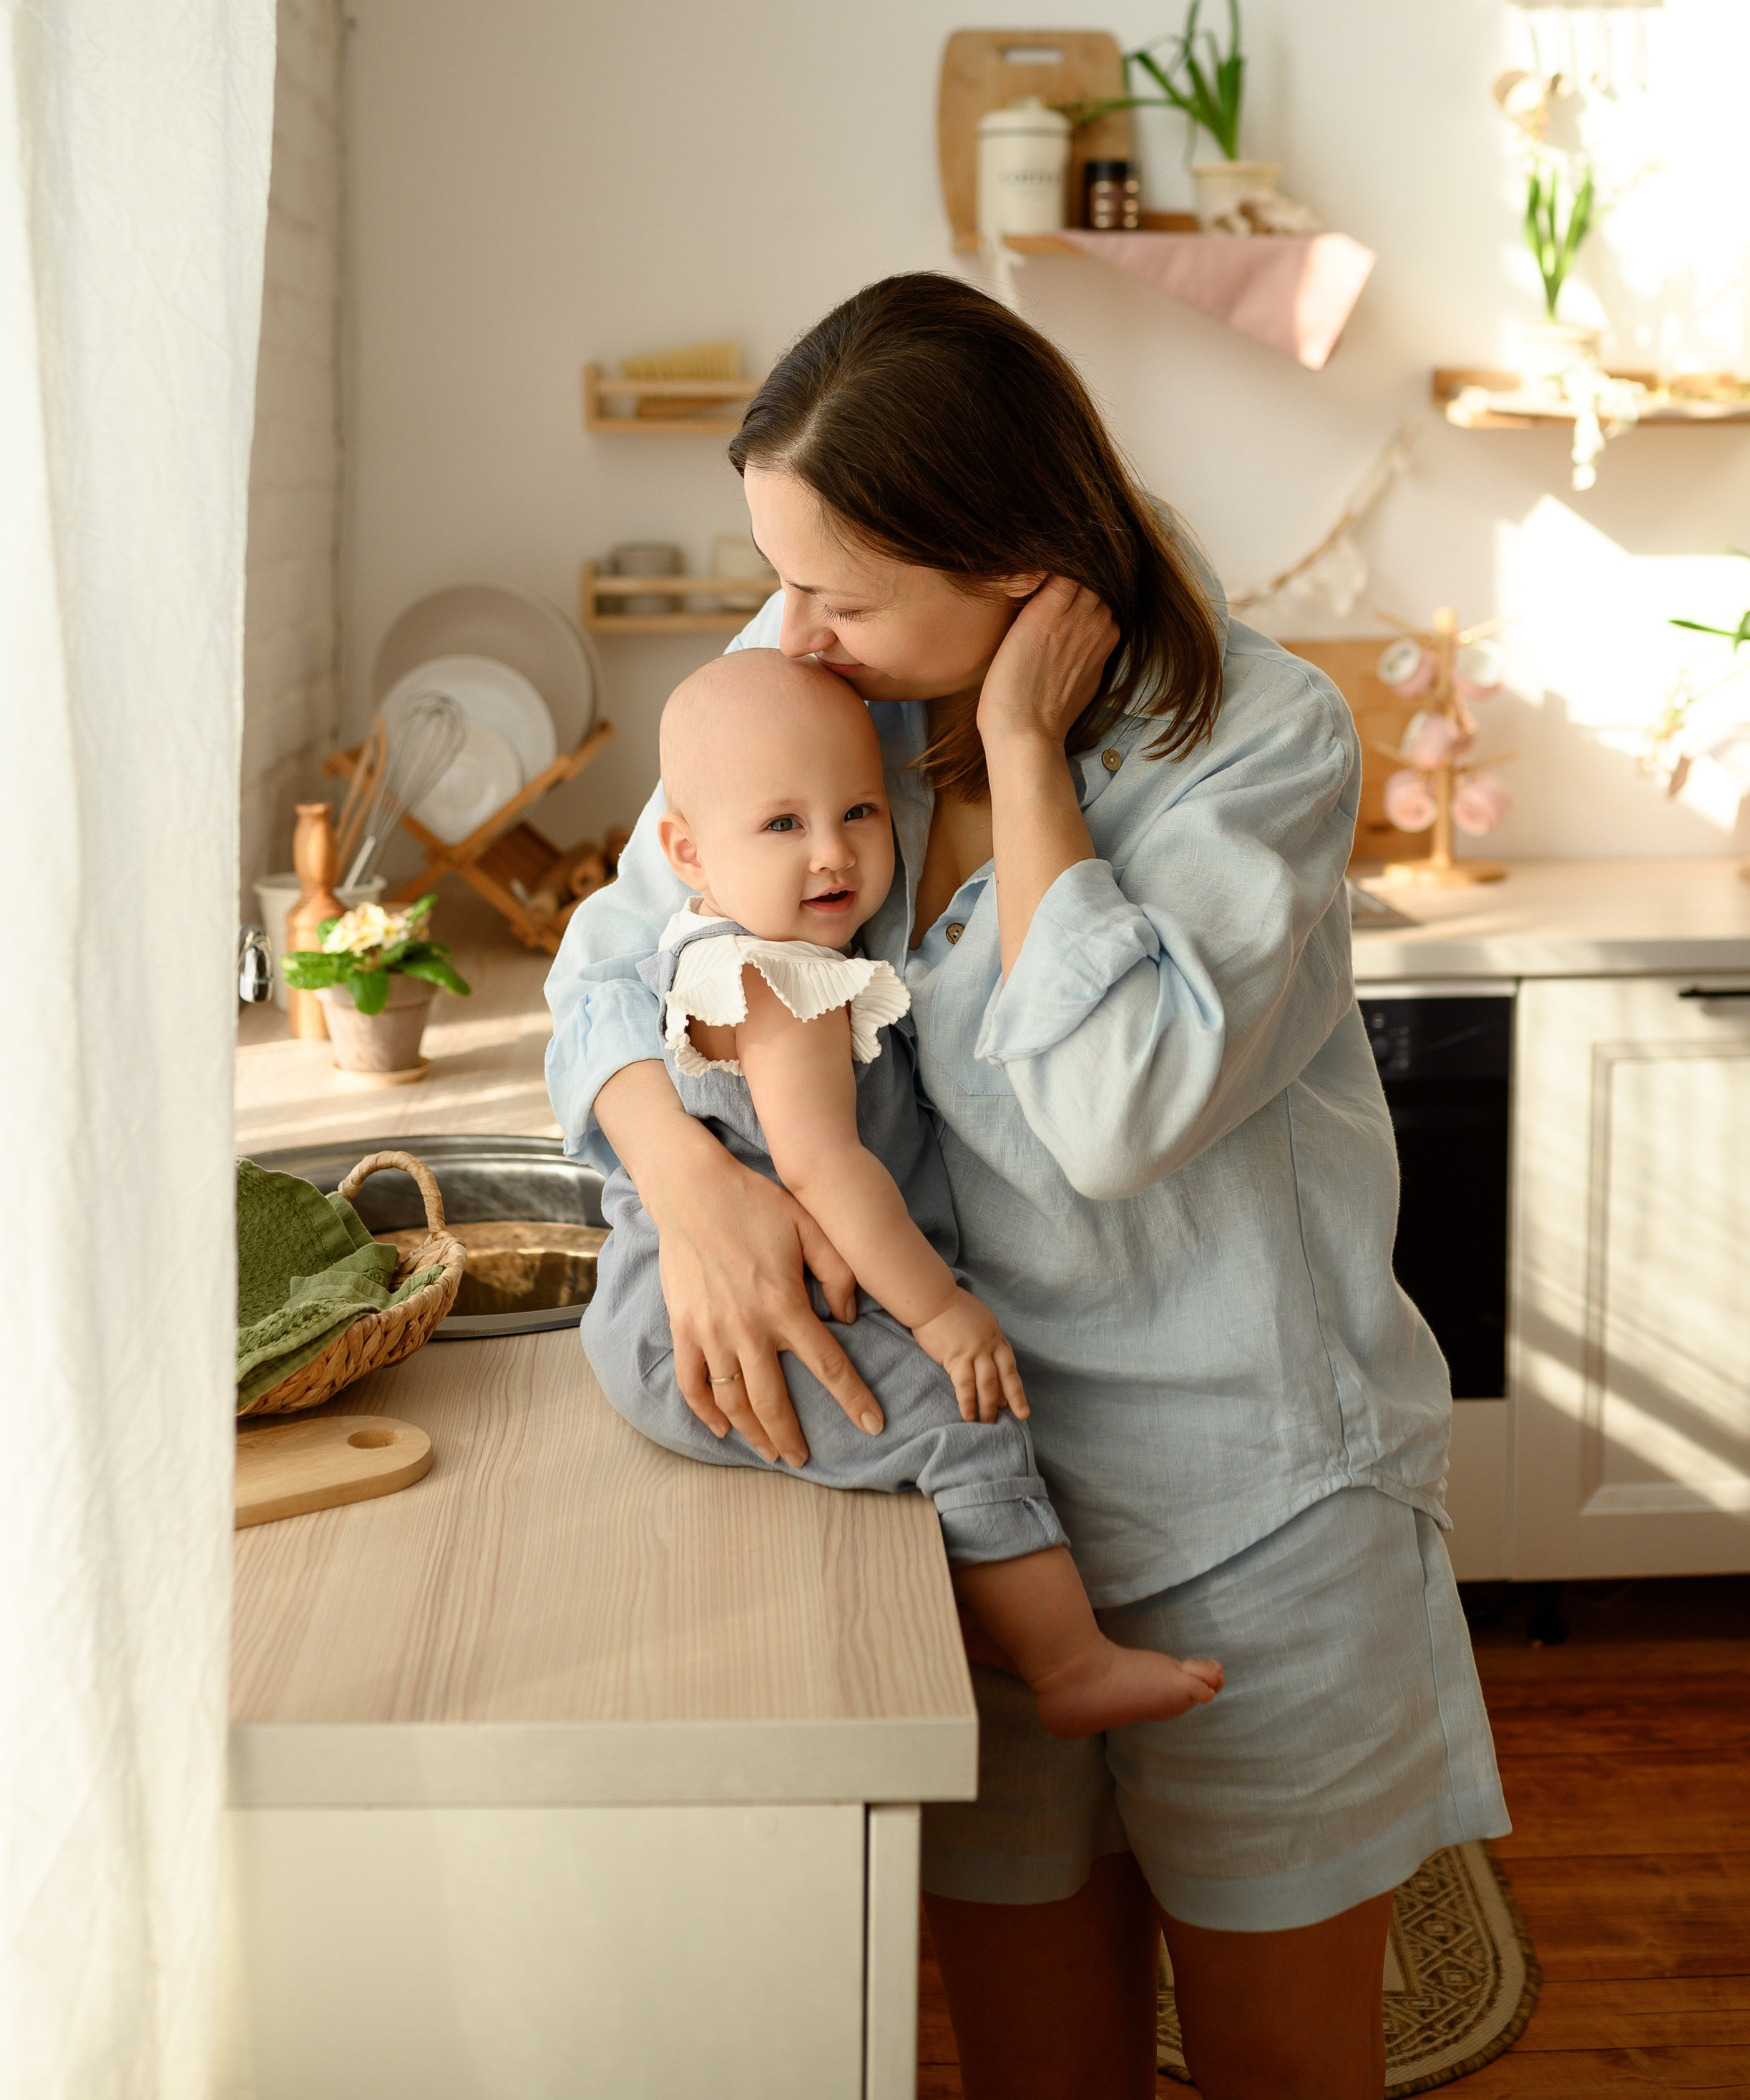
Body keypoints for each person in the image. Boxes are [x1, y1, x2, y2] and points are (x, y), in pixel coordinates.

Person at [548, 273, 1508, 2100]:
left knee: (1280, 2073)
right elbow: (614, 954)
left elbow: (1111, 1111)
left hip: (1247, 1519)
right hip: (969, 1514)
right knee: (1033, 2070)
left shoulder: (1258, 739)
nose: (793, 631)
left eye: (839, 595)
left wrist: (1015, 753)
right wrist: (685, 1178)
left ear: (1008, 559)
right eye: (781, 579)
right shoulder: (827, 662)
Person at [582, 644, 1225, 1737]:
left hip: (688, 1316)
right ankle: (1071, 1666)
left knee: (932, 1436)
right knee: (959, 1420)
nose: (833, 853)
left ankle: (1000, 1609)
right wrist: (940, 1312)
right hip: (724, 1334)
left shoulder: (715, 944)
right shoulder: (784, 983)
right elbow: (822, 1165)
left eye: (861, 812)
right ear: (687, 852)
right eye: (783, 825)